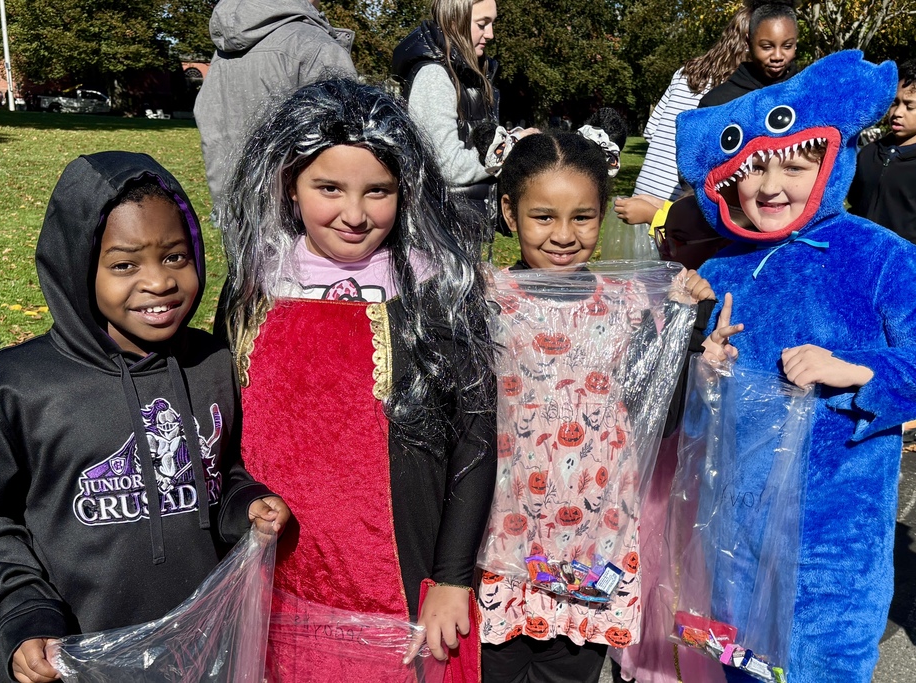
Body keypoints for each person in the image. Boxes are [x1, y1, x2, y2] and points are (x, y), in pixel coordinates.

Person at [675, 51, 916, 682]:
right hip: (736, 537)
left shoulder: (877, 256)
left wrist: (858, 369)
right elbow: (694, 410)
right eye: (752, 171)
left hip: (833, 546)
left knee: (821, 671)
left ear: (830, 157)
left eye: (795, 163)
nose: (771, 187)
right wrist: (703, 364)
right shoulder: (724, 268)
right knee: (743, 671)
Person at [0, 152, 291, 683]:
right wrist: (24, 612)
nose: (158, 282)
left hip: (198, 657)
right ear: (77, 267)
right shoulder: (20, 387)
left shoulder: (213, 365)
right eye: (125, 264)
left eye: (176, 257)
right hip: (70, 658)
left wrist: (246, 505)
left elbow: (220, 472)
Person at [217, 78, 495, 681]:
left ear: (408, 190)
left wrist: (451, 576)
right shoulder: (255, 286)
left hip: (402, 569)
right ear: (290, 184)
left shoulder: (434, 289)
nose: (355, 213)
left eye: (379, 192)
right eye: (329, 188)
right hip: (280, 578)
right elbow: (224, 429)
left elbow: (476, 435)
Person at [476, 129, 713, 683]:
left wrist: (682, 322)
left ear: (604, 214)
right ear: (509, 213)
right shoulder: (482, 302)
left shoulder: (629, 305)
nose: (564, 235)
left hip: (593, 548)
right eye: (543, 217)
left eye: (582, 217)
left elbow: (661, 413)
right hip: (501, 546)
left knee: (570, 675)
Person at [194, 0, 356, 211]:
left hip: (231, 204)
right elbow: (349, 143)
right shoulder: (314, 45)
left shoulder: (224, 51)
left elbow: (207, 115)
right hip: (295, 215)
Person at [614, 7, 751, 225]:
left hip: (643, 190)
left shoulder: (687, 71)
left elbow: (650, 132)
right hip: (678, 206)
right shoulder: (740, 92)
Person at [392, 0, 506, 236]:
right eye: (482, 24)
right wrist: (506, 151)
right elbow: (446, 165)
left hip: (460, 227)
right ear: (455, 21)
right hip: (439, 234)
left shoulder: (466, 74)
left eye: (492, 24)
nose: (491, 34)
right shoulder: (434, 76)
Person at [848, 58, 916, 263]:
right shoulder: (868, 154)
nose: (897, 113)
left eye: (910, 106)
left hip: (897, 273)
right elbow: (853, 205)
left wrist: (903, 258)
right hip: (856, 260)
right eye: (895, 103)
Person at [697, 0, 799, 109]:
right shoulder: (716, 103)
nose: (777, 56)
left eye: (787, 46)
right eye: (767, 47)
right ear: (748, 43)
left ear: (795, 44)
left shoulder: (808, 92)